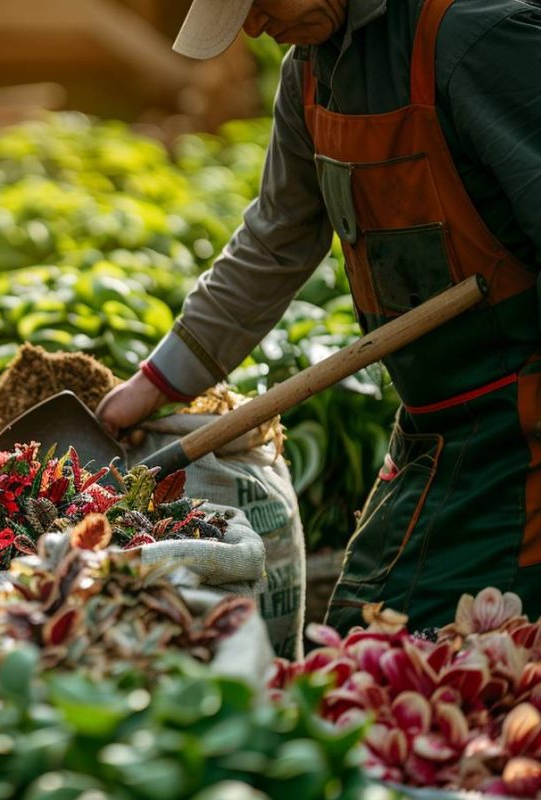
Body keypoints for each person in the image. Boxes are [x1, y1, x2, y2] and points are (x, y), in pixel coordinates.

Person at [96, 0, 541, 632]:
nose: (253, 27)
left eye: (257, 3)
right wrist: (149, 387)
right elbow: (275, 241)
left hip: (521, 430)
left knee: (432, 648)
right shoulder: (309, 73)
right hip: (432, 428)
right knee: (365, 630)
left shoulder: (473, 38)